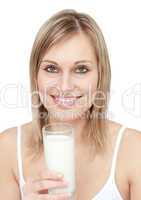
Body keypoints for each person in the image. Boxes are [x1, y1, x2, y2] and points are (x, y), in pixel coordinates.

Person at [0, 9, 141, 200]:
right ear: (35, 75)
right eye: (51, 68)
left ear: (101, 75)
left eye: (81, 69)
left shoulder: (133, 150)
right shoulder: (7, 149)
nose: (65, 86)